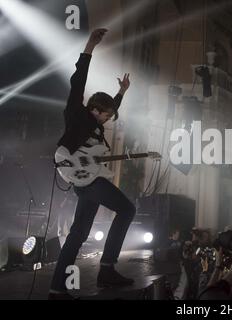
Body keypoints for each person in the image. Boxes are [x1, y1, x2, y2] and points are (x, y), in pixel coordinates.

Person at [49, 29, 135, 299]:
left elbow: (111, 107)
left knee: (79, 232)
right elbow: (78, 83)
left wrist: (120, 93)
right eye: (106, 115)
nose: (108, 119)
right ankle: (107, 269)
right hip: (88, 180)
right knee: (127, 210)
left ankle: (57, 288)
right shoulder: (79, 115)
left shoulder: (95, 122)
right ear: (95, 110)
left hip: (87, 181)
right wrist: (89, 47)